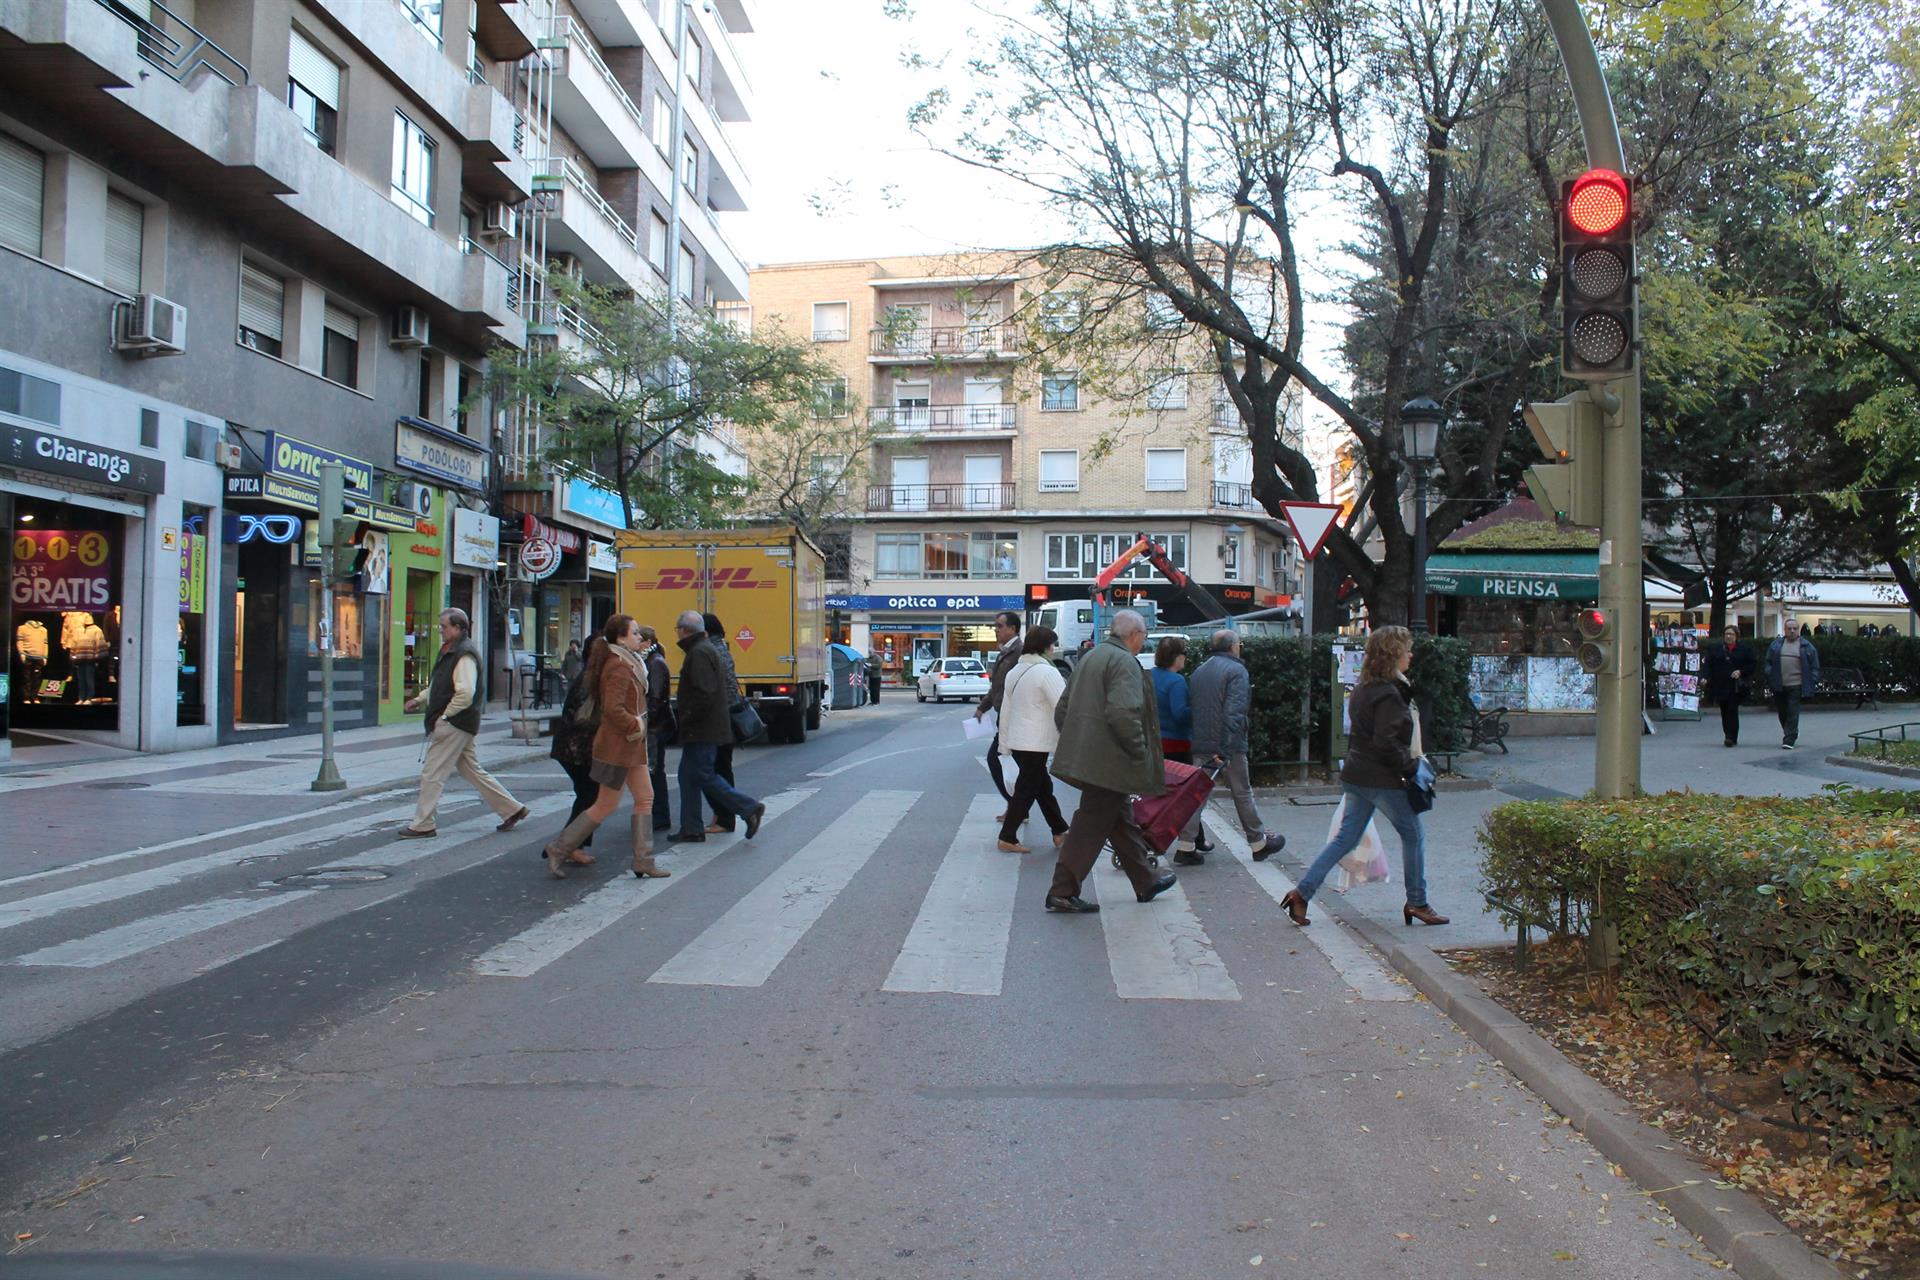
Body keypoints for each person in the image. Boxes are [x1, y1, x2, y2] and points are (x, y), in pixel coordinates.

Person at [1283, 626, 1447, 928]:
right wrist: (1410, 769)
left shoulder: (1363, 687)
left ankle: (1301, 894)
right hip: (1381, 778)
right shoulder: (1389, 693)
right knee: (1413, 835)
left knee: (1345, 838)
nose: (1410, 654)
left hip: (1357, 773)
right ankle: (1418, 902)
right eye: (1406, 649)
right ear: (1392, 654)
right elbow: (1386, 743)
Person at [1044, 609, 1178, 914]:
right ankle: (1062, 891)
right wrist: (1138, 750)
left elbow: (1062, 710)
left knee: (1120, 819)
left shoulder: (1091, 657)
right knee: (1090, 823)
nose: (1143, 643)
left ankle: (1146, 880)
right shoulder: (1125, 663)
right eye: (1143, 637)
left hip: (1094, 756)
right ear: (1134, 635)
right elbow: (1123, 713)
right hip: (1111, 759)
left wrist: (1081, 741)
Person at [539, 614, 667, 880]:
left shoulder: (627, 662)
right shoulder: (619, 666)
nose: (639, 637)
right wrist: (635, 725)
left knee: (643, 798)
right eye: (634, 633)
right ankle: (560, 847)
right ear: (621, 637)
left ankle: (643, 860)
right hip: (618, 746)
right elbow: (613, 709)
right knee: (606, 804)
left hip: (628, 746)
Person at [400, 608, 529, 839]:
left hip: (456, 723)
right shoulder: (453, 651)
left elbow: (465, 693)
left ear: (458, 628)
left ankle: (423, 824)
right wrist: (420, 699)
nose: (441, 630)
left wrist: (445, 717)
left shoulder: (464, 654)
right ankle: (513, 809)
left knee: (432, 773)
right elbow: (441, 685)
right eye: (440, 626)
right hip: (460, 722)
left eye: (444, 626)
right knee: (471, 769)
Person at [1188, 629, 1284, 861]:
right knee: (1242, 792)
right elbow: (1234, 712)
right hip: (1227, 744)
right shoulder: (1236, 670)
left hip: (1201, 742)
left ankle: (1185, 844)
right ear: (1233, 646)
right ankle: (1258, 841)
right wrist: (1227, 747)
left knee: (1197, 795)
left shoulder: (1200, 670)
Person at [671, 609, 765, 843]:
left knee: (703, 774)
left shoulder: (700, 653)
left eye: (677, 629)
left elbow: (704, 693)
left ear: (683, 630)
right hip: (706, 726)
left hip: (703, 728)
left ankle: (748, 807)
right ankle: (691, 827)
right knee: (687, 775)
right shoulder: (706, 649)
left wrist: (688, 717)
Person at [995, 625, 1071, 853]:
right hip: (1037, 741)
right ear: (1045, 647)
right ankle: (1007, 836)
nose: (1053, 649)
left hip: (1018, 741)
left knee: (1042, 787)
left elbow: (1005, 712)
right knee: (1028, 788)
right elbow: (1063, 706)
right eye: (1052, 644)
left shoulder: (1014, 672)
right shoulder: (1047, 672)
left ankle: (1059, 830)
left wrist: (1004, 745)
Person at [1150, 635, 1206, 867]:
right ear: (1177, 657)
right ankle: (1187, 844)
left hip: (1154, 742)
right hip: (1177, 743)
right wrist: (1199, 713)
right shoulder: (1177, 682)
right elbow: (1180, 713)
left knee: (1158, 793)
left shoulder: (1150, 676)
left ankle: (1198, 839)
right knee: (1186, 796)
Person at [546, 661, 600, 861]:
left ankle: (569, 846)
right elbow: (582, 716)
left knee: (588, 795)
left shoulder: (591, 675)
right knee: (590, 795)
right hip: (576, 748)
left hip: (576, 746)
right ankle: (567, 846)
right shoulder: (592, 678)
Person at [975, 610, 1023, 811]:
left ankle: (1017, 807)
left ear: (1012, 629)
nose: (996, 630)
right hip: (1004, 715)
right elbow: (997, 686)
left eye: (1000, 626)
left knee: (996, 760)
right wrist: (982, 707)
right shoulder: (1005, 651)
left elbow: (1014, 685)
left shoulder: (1019, 651)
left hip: (1013, 717)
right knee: (1013, 764)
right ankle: (1017, 806)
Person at [702, 613, 743, 834]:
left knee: (715, 771)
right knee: (720, 769)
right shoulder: (722, 650)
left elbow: (721, 691)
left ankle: (729, 815)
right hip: (723, 720)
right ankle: (724, 814)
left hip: (718, 721)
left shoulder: (712, 652)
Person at [1765, 618, 1820, 750]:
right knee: (1782, 712)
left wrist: (1812, 680)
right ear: (1785, 630)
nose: (1792, 631)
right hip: (1779, 684)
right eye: (1789, 628)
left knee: (1792, 711)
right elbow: (1768, 662)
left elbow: (1814, 666)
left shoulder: (1806, 646)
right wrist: (1770, 674)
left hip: (1796, 684)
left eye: (1794, 628)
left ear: (1798, 629)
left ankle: (1790, 738)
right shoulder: (1776, 645)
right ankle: (1790, 731)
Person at [641, 625, 674, 833]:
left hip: (655, 727)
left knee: (654, 771)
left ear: (648, 642)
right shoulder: (651, 661)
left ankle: (659, 816)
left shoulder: (655, 664)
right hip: (654, 725)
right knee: (653, 771)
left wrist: (644, 722)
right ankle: (657, 815)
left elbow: (655, 698)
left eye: (639, 638)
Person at [1702, 625, 1755, 747]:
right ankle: (1728, 734)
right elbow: (1708, 664)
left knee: (1732, 709)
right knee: (1724, 710)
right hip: (1720, 684)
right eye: (1726, 634)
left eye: (1731, 634)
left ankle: (1731, 737)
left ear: (1737, 636)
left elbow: (1751, 665)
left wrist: (1740, 671)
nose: (1728, 636)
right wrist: (1705, 677)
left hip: (1735, 686)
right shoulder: (1716, 649)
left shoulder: (1744, 649)